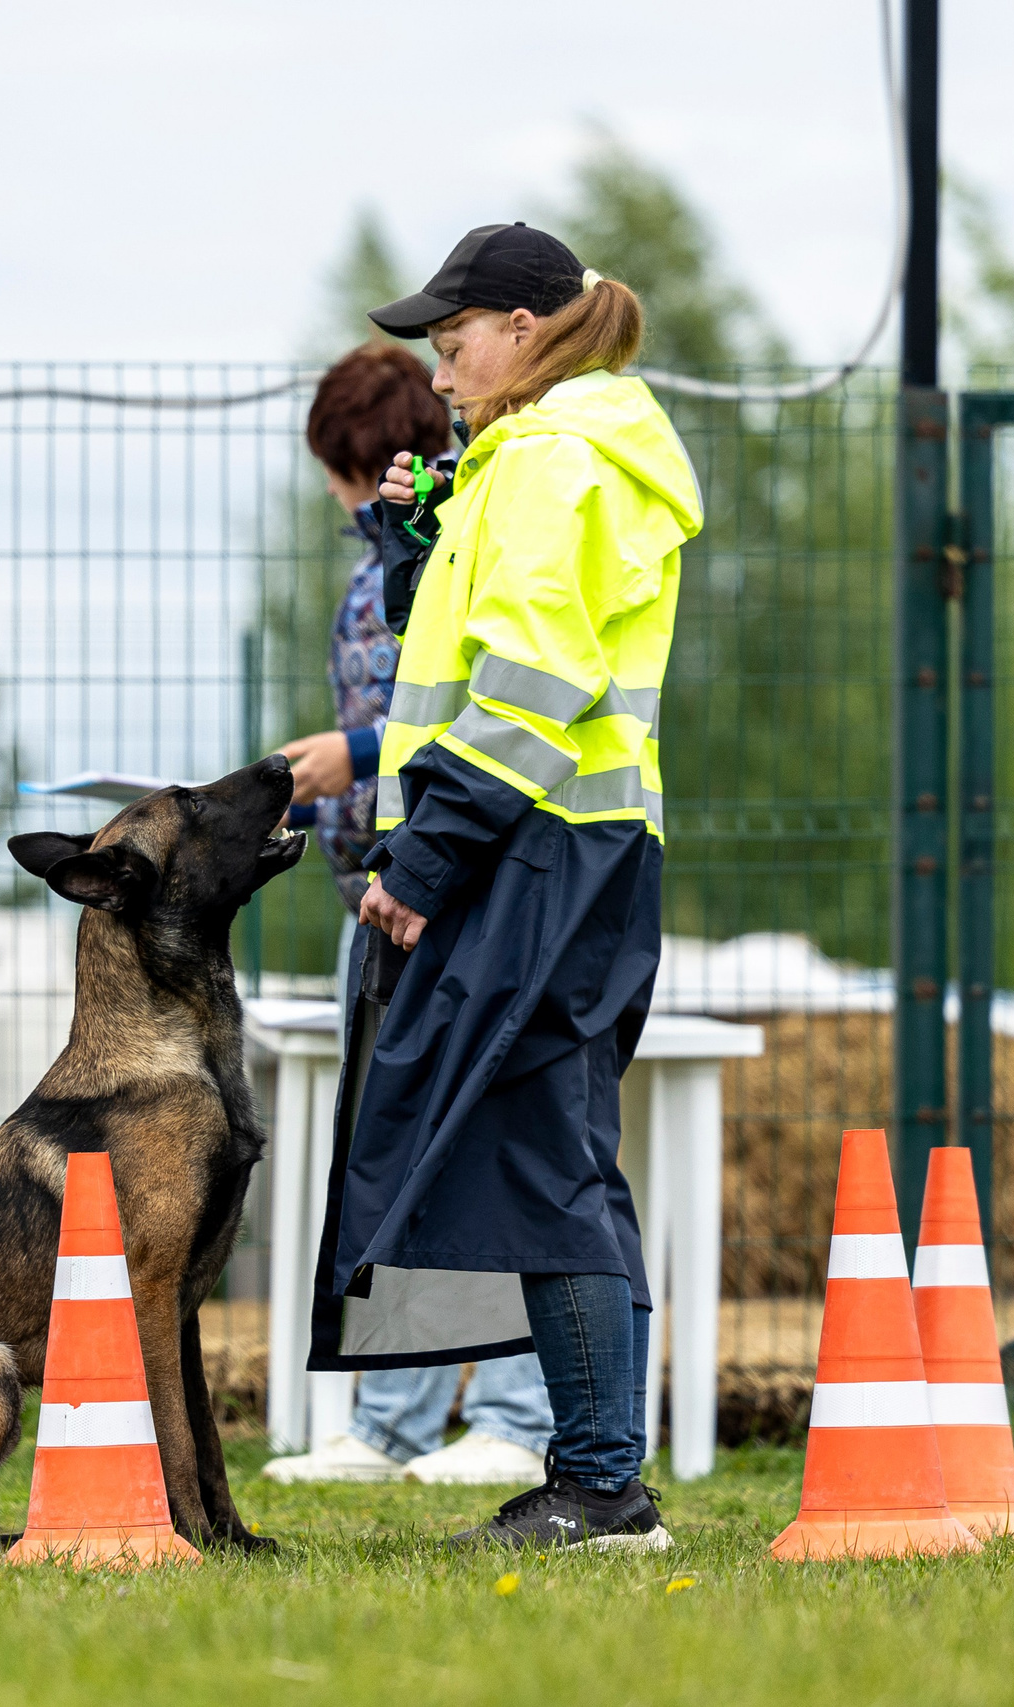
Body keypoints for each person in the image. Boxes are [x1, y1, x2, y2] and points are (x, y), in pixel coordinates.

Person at [306, 223, 701, 1552]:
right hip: (576, 845)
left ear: (523, 327)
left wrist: (428, 853)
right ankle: (598, 1476)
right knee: (557, 1156)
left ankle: (599, 1485)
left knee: (552, 1162)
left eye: (455, 336)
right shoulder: (552, 457)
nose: (445, 362)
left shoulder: (548, 460)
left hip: (535, 846)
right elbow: (478, 644)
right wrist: (422, 544)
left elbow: (534, 677)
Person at [262, 343, 556, 1488]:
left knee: (495, 1150)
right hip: (383, 892)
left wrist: (355, 754)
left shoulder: (470, 528)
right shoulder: (389, 548)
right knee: (396, 1155)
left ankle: (518, 1419)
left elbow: (486, 700)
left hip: (442, 885)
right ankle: (391, 1423)